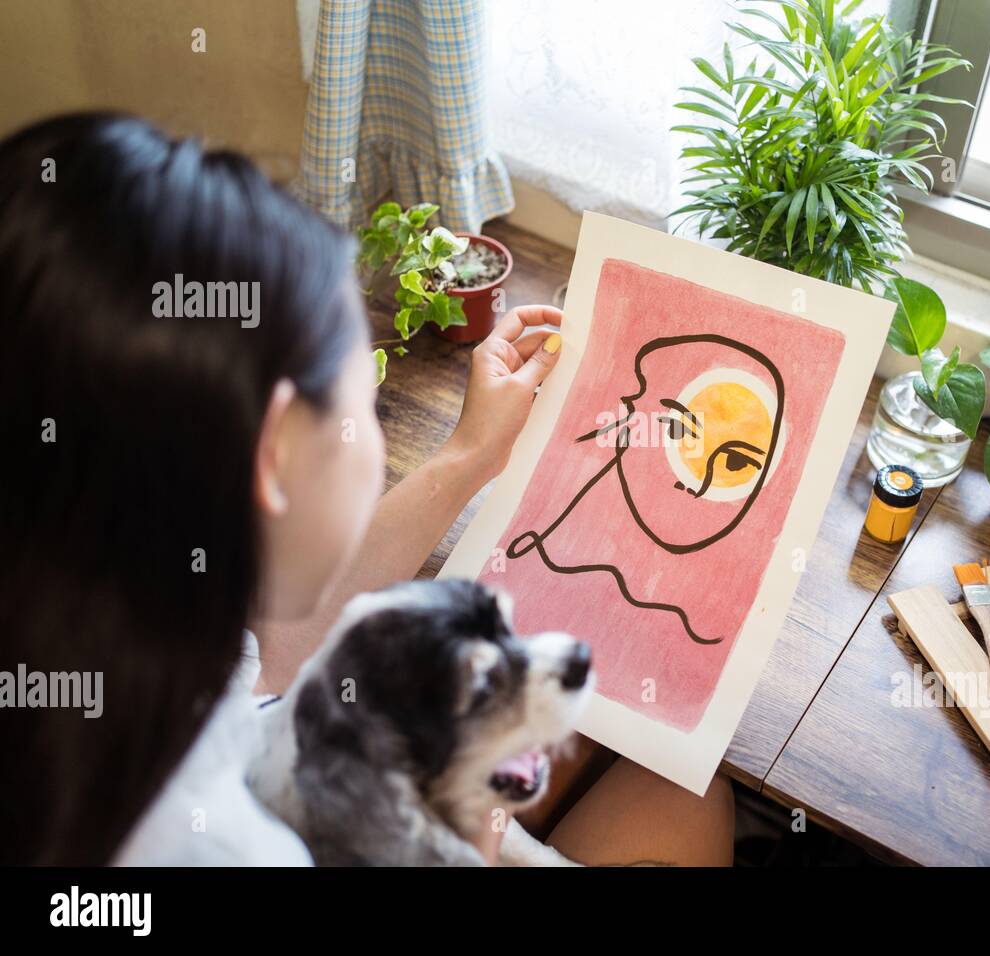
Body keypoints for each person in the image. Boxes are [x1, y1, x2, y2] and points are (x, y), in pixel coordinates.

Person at [0, 112, 733, 866]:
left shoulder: (117, 619)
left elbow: (274, 655)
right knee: (691, 804)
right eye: (363, 404)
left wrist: (472, 455)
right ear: (277, 452)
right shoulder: (229, 849)